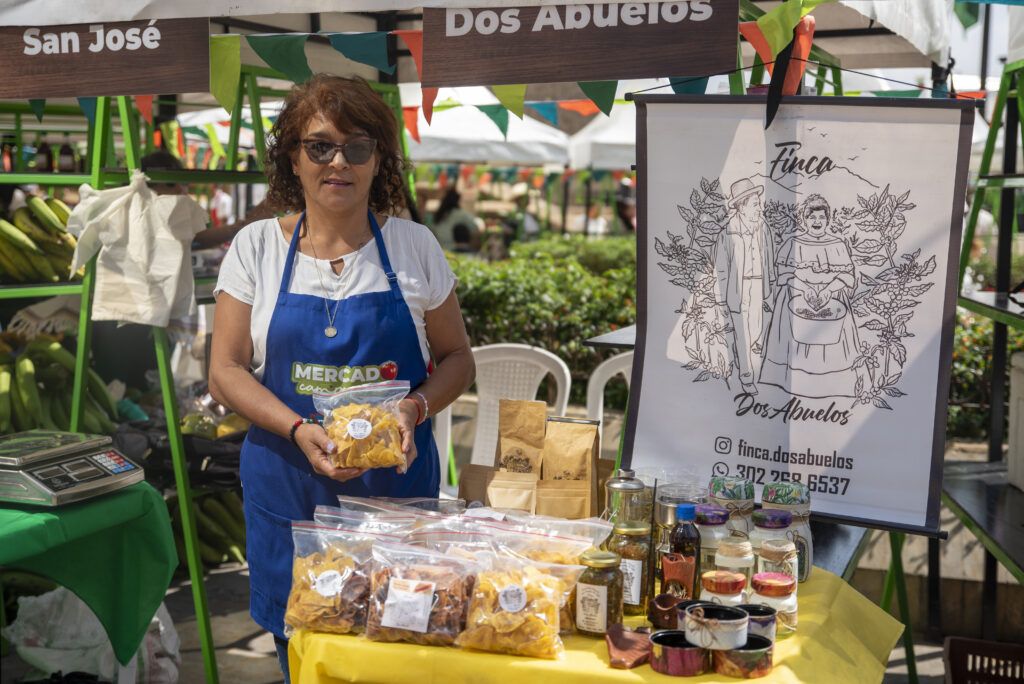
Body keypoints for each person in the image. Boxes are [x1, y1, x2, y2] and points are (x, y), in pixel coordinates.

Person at [207, 75, 475, 681]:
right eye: (319, 146)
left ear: (378, 160)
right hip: (291, 491)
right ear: (292, 159)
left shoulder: (414, 246)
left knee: (399, 645)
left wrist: (414, 409)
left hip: (395, 499)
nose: (338, 162)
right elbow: (225, 370)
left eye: (358, 147)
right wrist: (299, 427)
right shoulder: (256, 248)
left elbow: (458, 359)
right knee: (303, 653)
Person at [759, 194, 862, 398]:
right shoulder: (792, 242)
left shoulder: (837, 244)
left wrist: (828, 289)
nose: (817, 222)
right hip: (794, 299)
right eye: (812, 218)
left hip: (832, 301)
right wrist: (803, 287)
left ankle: (832, 387)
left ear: (828, 219)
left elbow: (848, 276)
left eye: (821, 218)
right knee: (795, 341)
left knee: (832, 343)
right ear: (805, 219)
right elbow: (784, 274)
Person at [713, 178, 775, 395]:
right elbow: (721, 268)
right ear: (742, 205)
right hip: (737, 290)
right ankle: (746, 377)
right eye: (755, 203)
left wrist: (771, 288)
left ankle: (754, 369)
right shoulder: (727, 232)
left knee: (757, 333)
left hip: (760, 286)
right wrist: (721, 298)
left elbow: (770, 260)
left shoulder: (764, 227)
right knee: (743, 334)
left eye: (759, 202)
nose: (760, 207)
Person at [431, 188, 480, 252]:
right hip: (457, 254)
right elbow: (475, 229)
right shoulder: (461, 214)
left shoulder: (439, 216)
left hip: (441, 252)